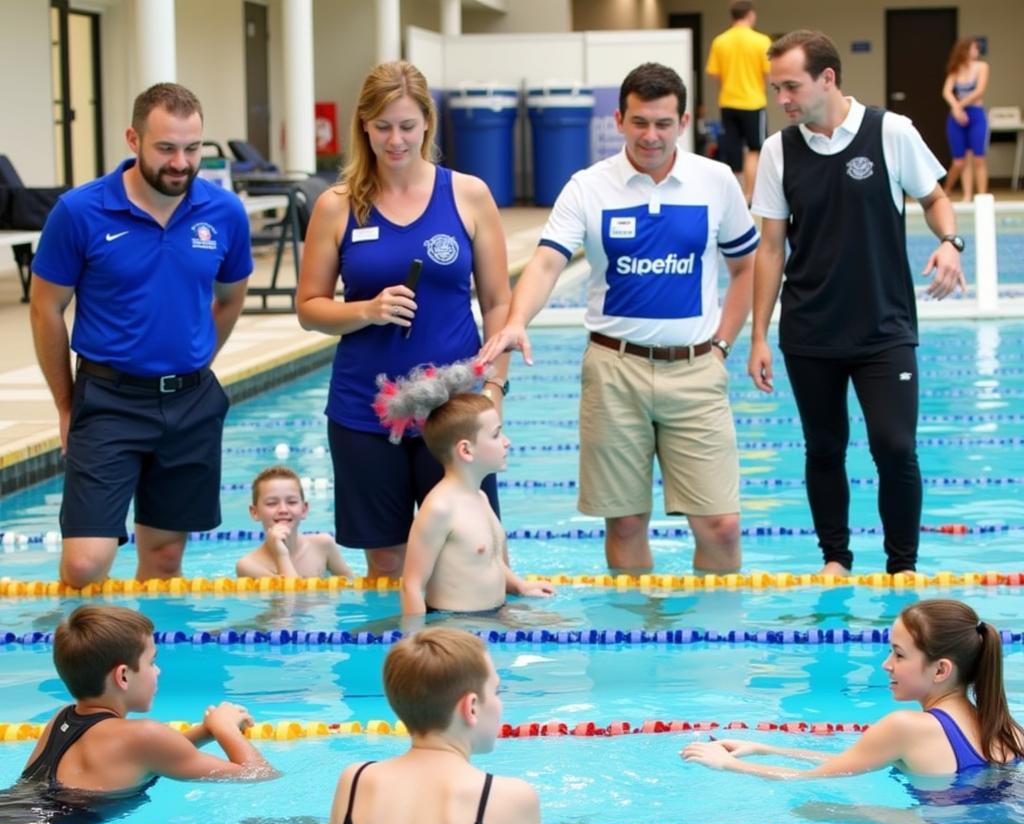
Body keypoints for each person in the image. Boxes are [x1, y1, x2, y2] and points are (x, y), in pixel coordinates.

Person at [480, 62, 758, 575]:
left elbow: (746, 269)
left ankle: (716, 648)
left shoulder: (715, 181)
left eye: (663, 123)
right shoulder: (588, 187)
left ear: (684, 121)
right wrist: (517, 319)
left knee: (721, 525)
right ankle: (639, 640)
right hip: (614, 369)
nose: (651, 136)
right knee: (626, 522)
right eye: (639, 122)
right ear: (619, 119)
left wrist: (724, 344)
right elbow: (546, 261)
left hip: (695, 370)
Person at [748, 30, 966, 577]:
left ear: (828, 78)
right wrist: (758, 337)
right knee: (824, 448)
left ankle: (902, 565)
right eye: (776, 89)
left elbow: (936, 197)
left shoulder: (890, 132)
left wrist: (950, 243)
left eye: (791, 86)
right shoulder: (779, 151)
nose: (783, 100)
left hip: (883, 327)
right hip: (810, 329)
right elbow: (771, 248)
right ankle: (835, 558)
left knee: (895, 447)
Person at [29, 83, 253, 589]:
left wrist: (196, 358)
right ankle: (83, 664)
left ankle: (150, 662)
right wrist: (67, 406)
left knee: (167, 559)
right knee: (86, 565)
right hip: (109, 400)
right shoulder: (79, 211)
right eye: (166, 148)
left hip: (191, 403)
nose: (181, 162)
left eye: (192, 148)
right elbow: (46, 310)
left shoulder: (224, 213)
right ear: (133, 139)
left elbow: (231, 297)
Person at [295, 60, 512, 580]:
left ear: (427, 126)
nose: (395, 140)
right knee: (387, 565)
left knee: (470, 559)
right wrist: (365, 310)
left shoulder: (468, 195)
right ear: (364, 126)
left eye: (407, 126)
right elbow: (308, 308)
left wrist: (496, 387)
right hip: (364, 414)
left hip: (454, 411)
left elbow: (499, 304)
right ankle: (395, 663)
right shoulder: (337, 206)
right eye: (383, 126)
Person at [323, 628, 540, 824]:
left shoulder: (355, 780)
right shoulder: (513, 798)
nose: (501, 704)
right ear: (472, 707)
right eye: (497, 691)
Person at [683, 599, 1024, 779]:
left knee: (809, 810)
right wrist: (765, 749)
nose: (886, 664)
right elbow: (855, 762)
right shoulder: (1008, 729)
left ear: (941, 670)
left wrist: (729, 765)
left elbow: (808, 779)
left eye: (899, 654)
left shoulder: (906, 726)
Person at [9, 606, 277, 824]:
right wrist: (225, 728)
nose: (157, 671)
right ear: (123, 676)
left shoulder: (63, 718)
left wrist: (204, 732)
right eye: (151, 662)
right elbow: (258, 775)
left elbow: (149, 755)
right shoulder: (143, 735)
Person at [400, 393, 556, 615]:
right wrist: (416, 639)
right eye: (496, 434)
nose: (507, 441)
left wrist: (520, 585)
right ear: (466, 450)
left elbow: (488, 560)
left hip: (493, 618)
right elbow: (412, 586)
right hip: (454, 625)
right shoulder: (440, 508)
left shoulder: (480, 497)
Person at [706, 0, 772, 203]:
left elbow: (715, 74)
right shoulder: (761, 41)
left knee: (733, 151)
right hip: (753, 102)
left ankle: (736, 197)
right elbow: (768, 73)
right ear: (751, 15)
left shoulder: (720, 41)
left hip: (728, 102)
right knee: (754, 149)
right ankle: (750, 195)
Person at [236, 465, 353, 579]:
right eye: (271, 503)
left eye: (291, 502)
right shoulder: (248, 565)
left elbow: (351, 585)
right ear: (254, 512)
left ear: (304, 509)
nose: (283, 510)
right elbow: (290, 597)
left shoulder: (323, 545)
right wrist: (281, 554)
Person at [942, 38, 989, 201]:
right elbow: (947, 91)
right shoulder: (955, 69)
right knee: (960, 161)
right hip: (957, 117)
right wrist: (956, 108)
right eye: (974, 48)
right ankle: (955, 191)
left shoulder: (982, 67)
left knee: (978, 157)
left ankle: (982, 196)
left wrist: (958, 106)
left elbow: (979, 91)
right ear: (965, 50)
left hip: (975, 113)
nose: (977, 51)